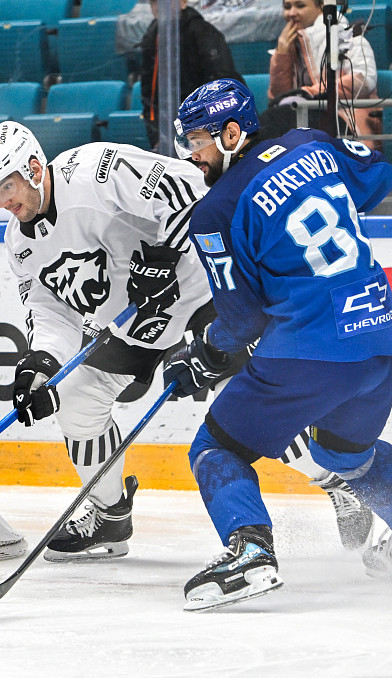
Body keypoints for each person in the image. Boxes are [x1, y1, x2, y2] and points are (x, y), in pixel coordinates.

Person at [0, 120, 369, 563]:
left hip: (199, 293)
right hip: (133, 324)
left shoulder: (96, 170)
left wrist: (162, 257)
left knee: (249, 404)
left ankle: (338, 482)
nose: (2, 201)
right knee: (77, 399)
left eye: (7, 186)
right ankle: (109, 515)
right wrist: (40, 364)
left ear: (33, 167)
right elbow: (50, 312)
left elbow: (192, 191)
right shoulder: (19, 245)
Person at [166, 78, 392, 611]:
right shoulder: (312, 144)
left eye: (197, 141)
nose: (191, 155)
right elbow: (376, 175)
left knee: (216, 447)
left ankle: (249, 552)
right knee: (342, 454)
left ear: (231, 133)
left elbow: (242, 319)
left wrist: (204, 353)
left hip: (312, 348)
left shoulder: (216, 210)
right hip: (381, 335)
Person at [264, 0, 379, 142]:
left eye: (300, 6)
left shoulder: (351, 40)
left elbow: (364, 81)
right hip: (301, 117)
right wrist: (282, 56)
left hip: (347, 120)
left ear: (322, 7)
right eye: (287, 7)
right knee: (269, 124)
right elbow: (279, 97)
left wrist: (307, 94)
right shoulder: (290, 46)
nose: (292, 13)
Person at [139, 0, 242, 148]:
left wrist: (205, 137)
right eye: (155, 2)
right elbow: (150, 98)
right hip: (174, 135)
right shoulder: (151, 38)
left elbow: (222, 86)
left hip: (212, 132)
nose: (160, 6)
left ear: (183, 2)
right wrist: (158, 138)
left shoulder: (204, 33)